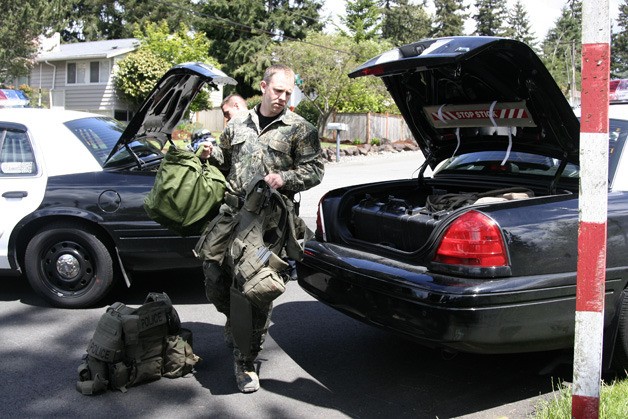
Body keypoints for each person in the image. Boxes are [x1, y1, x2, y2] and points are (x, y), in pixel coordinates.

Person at [196, 64, 324, 393]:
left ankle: (246, 359)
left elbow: (315, 170)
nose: (282, 97)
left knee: (255, 290)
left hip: (270, 226)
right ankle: (235, 323)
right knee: (214, 277)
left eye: (288, 92)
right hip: (232, 216)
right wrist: (211, 154)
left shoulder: (301, 128)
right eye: (277, 90)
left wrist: (286, 179)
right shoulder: (238, 123)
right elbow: (226, 159)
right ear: (264, 87)